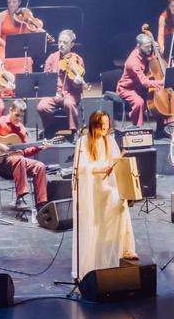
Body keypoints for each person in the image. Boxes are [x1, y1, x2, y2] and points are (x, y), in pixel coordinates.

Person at [72, 110, 137, 281]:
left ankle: (121, 246)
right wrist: (102, 169)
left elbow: (116, 162)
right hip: (92, 185)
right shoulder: (83, 142)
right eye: (102, 125)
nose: (105, 129)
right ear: (94, 126)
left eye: (107, 125)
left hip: (106, 184)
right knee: (111, 199)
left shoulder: (109, 140)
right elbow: (82, 169)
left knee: (120, 202)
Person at [0, 99, 48, 212]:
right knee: (19, 160)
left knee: (40, 166)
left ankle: (41, 204)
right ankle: (20, 198)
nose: (18, 119)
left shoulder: (21, 129)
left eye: (21, 116)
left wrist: (39, 147)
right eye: (16, 115)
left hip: (17, 163)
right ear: (10, 110)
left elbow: (24, 152)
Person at [36, 29, 84, 136]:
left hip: (70, 94)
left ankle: (73, 131)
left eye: (65, 43)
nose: (61, 45)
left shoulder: (77, 60)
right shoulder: (52, 58)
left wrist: (76, 82)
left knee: (69, 104)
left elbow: (77, 87)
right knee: (42, 107)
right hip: (53, 93)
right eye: (60, 41)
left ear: (72, 45)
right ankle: (50, 129)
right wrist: (53, 92)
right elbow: (46, 79)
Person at [116, 33, 166, 127]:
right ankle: (137, 127)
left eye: (150, 46)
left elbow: (151, 58)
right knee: (139, 103)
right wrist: (162, 82)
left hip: (140, 88)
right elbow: (144, 82)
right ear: (138, 46)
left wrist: (157, 50)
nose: (150, 49)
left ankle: (161, 129)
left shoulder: (143, 52)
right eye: (147, 47)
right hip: (127, 89)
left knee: (161, 100)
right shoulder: (134, 62)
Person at [0, 0, 33, 74]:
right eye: (9, 2)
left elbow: (27, 35)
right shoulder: (0, 16)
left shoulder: (24, 15)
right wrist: (7, 45)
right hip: (4, 46)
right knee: (3, 58)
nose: (11, 4)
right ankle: (6, 84)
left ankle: (24, 84)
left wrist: (28, 22)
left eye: (14, 2)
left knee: (28, 60)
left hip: (20, 47)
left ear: (19, 2)